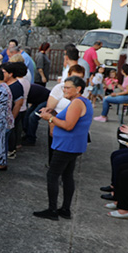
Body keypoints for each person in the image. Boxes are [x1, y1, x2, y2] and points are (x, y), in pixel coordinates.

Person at [34, 76, 93, 220]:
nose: (64, 90)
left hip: (67, 145)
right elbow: (69, 120)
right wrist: (53, 114)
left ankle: (52, 210)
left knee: (53, 175)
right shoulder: (81, 102)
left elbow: (68, 125)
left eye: (67, 88)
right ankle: (65, 209)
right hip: (73, 145)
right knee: (67, 175)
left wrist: (50, 118)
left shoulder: (77, 103)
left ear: (78, 89)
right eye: (64, 87)